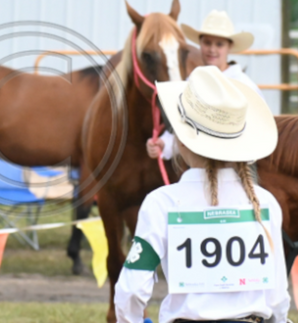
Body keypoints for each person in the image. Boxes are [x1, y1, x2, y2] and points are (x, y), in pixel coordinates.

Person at [116, 65, 289, 323]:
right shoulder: (265, 204)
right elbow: (276, 297)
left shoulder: (162, 204)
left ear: (182, 140)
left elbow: (132, 289)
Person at [147, 10, 262, 160]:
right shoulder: (191, 82)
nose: (212, 49)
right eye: (207, 43)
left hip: (235, 162)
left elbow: (258, 128)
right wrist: (164, 143)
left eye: (219, 44)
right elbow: (182, 123)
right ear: (200, 44)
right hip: (200, 163)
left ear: (229, 47)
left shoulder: (244, 85)